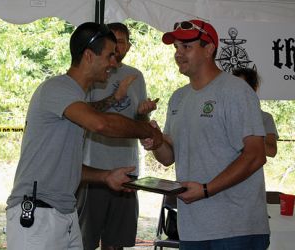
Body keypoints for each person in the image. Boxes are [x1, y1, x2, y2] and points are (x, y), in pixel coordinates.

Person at [5, 22, 163, 250]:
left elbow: (67, 166)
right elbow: (101, 124)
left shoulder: (78, 98)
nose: (114, 62)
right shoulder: (57, 88)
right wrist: (147, 131)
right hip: (38, 213)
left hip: (65, 213)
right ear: (89, 55)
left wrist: (106, 176)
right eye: (109, 55)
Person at [143, 19, 270, 249]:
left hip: (237, 228)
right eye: (176, 48)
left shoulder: (235, 91)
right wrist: (157, 141)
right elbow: (168, 157)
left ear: (209, 49)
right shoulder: (178, 98)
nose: (178, 54)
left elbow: (255, 155)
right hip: (193, 229)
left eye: (186, 47)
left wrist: (206, 189)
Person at [77, 22, 158, 250]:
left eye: (121, 42)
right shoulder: (93, 71)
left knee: (116, 241)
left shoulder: (136, 76)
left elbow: (137, 124)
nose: (116, 48)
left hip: (127, 168)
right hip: (93, 167)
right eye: (112, 42)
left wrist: (143, 114)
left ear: (128, 46)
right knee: (86, 239)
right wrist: (115, 95)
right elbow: (82, 115)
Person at [232, 67, 279, 157]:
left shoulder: (265, 117)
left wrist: (245, 139)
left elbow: (272, 151)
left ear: (254, 88)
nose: (235, 91)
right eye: (233, 86)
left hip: (252, 170)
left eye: (241, 86)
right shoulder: (222, 114)